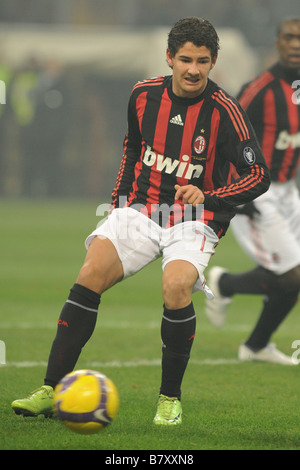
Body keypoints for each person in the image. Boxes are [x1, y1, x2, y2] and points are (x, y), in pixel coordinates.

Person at [11, 17, 270, 425]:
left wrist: (211, 196)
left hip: (194, 218)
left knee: (176, 286)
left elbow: (259, 176)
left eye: (202, 61)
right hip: (142, 209)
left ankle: (169, 400)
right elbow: (133, 147)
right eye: (185, 59)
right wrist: (119, 201)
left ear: (213, 62)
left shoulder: (226, 110)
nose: (193, 69)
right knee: (90, 272)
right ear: (169, 58)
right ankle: (51, 388)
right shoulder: (143, 95)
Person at [205, 17, 300, 365]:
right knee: (292, 275)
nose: (295, 44)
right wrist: (236, 194)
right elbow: (225, 135)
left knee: (294, 276)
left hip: (289, 191)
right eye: (289, 37)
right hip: (257, 192)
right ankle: (227, 288)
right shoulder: (260, 88)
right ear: (277, 43)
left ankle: (255, 343)